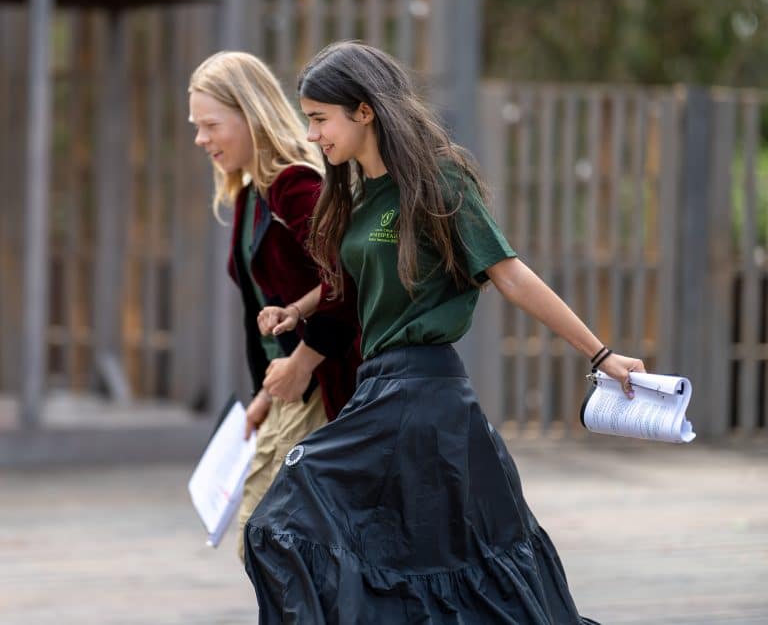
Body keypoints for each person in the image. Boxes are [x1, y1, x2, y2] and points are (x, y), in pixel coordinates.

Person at [244, 41, 645, 624]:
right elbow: (358, 287)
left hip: (422, 395)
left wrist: (601, 353)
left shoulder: (438, 182)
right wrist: (299, 308)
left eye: (319, 119)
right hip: (379, 391)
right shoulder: (359, 196)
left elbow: (510, 275)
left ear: (364, 111)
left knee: (283, 519)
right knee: (412, 561)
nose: (312, 136)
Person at [187, 51, 361, 560]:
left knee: (272, 543)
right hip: (288, 389)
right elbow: (264, 311)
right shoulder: (250, 193)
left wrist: (302, 364)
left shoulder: (295, 184)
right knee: (276, 545)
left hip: (323, 387)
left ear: (250, 113)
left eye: (211, 125)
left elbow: (348, 280)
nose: (201, 139)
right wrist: (264, 393)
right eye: (197, 127)